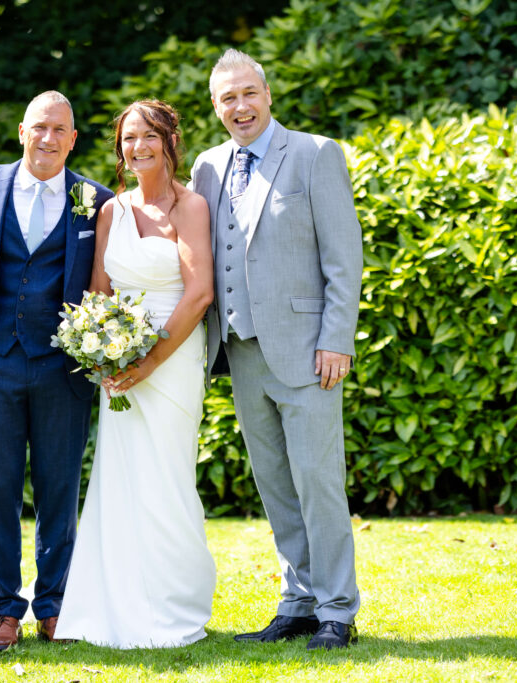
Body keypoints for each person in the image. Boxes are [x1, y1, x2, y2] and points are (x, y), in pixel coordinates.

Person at [189, 49, 364, 650]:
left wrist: (337, 339)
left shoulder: (315, 154)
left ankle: (338, 610)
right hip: (240, 350)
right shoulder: (208, 168)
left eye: (247, 94)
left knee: (318, 481)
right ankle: (299, 600)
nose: (239, 107)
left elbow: (345, 257)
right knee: (275, 484)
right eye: (226, 99)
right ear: (216, 107)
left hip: (308, 350)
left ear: (267, 94)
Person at [55, 100, 216, 648]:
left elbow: (199, 293)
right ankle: (112, 605)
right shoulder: (111, 211)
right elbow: (98, 292)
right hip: (118, 366)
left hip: (171, 363)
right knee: (119, 480)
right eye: (128, 139)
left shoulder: (191, 207)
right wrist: (100, 354)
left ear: (170, 142)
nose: (137, 147)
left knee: (165, 479)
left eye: (149, 136)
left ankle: (175, 604)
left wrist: (147, 362)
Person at [0, 91, 112, 650]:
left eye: (61, 130)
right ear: (22, 130)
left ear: (74, 140)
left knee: (57, 488)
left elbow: (106, 280)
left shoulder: (95, 199)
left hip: (62, 368)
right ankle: (4, 609)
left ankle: (53, 605)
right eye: (40, 127)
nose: (49, 138)